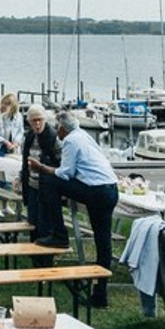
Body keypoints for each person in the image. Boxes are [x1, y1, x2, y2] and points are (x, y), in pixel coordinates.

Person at [28, 111, 120, 308]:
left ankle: (59, 234)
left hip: (96, 190)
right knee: (103, 241)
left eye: (57, 127)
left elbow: (65, 173)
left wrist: (40, 167)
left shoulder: (70, 140)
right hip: (110, 189)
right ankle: (100, 294)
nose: (56, 131)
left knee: (50, 182)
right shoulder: (85, 136)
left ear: (62, 128)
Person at [18, 104, 60, 237]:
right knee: (32, 222)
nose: (37, 123)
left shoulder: (53, 137)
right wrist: (20, 177)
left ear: (45, 120)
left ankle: (44, 249)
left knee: (44, 225)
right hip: (31, 185)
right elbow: (25, 161)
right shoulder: (29, 136)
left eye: (40, 120)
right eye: (34, 120)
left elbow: (62, 162)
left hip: (46, 187)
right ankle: (33, 247)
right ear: (29, 122)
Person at [0, 93, 24, 157]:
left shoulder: (19, 116)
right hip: (0, 147)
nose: (3, 105)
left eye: (7, 104)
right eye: (3, 103)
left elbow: (20, 131)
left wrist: (16, 142)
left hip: (14, 147)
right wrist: (4, 141)